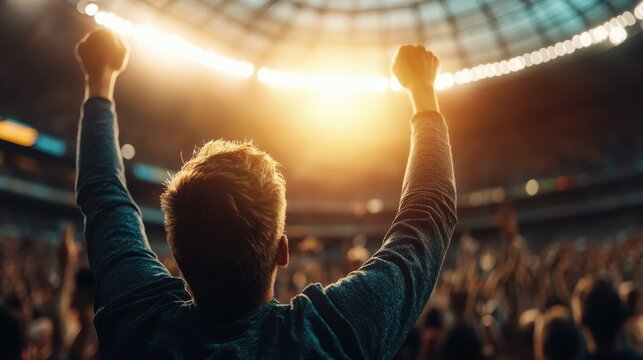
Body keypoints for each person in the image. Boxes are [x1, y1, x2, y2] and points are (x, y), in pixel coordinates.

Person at [74, 28, 457, 358]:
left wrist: (99, 80)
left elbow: (104, 196)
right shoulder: (325, 336)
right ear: (282, 251)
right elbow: (427, 218)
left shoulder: (139, 324)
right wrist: (423, 92)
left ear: (176, 253)